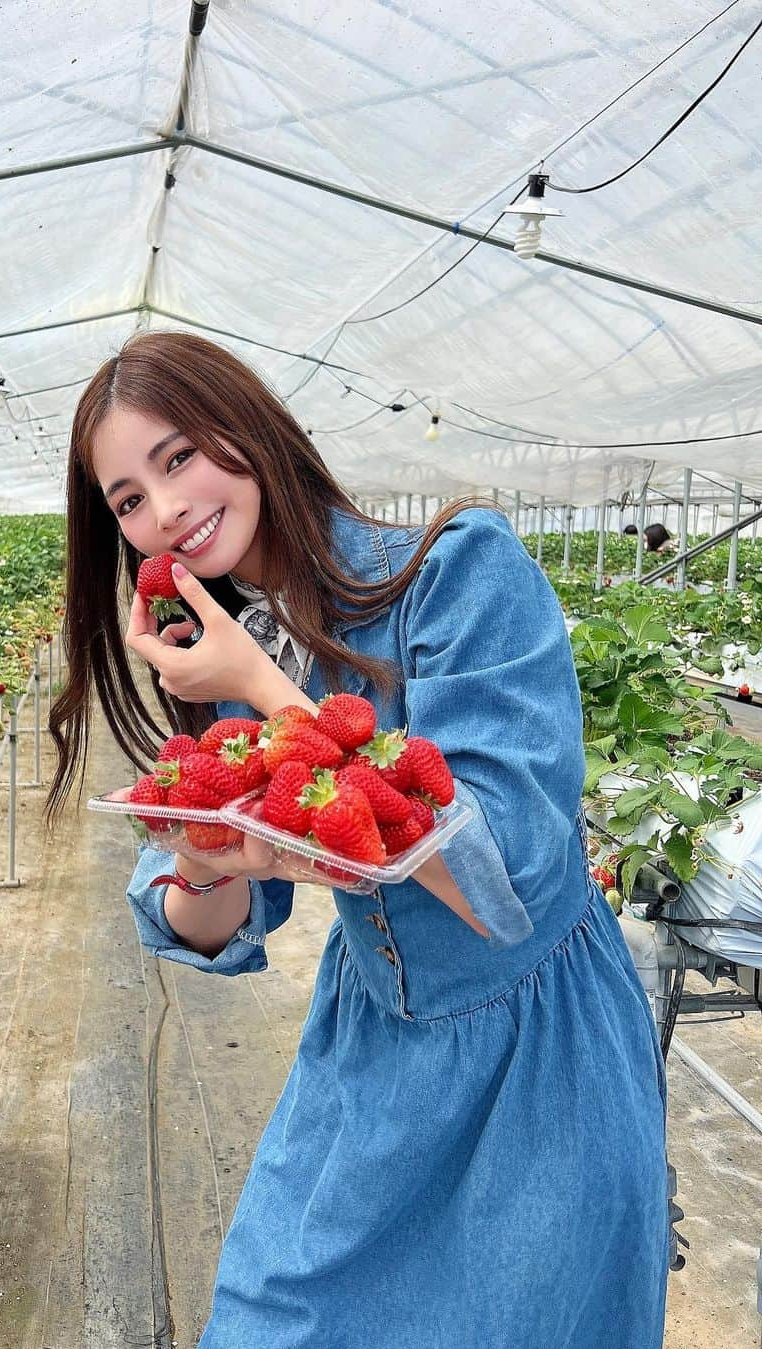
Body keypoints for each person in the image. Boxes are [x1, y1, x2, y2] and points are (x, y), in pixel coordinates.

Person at [47, 331, 669, 1348]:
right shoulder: (226, 645)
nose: (162, 509)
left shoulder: (456, 573)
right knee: (272, 1317)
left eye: (178, 457)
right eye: (125, 498)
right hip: (371, 1040)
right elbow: (211, 916)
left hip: (536, 1046)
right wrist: (202, 858)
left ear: (248, 426)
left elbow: (501, 873)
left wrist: (263, 689)